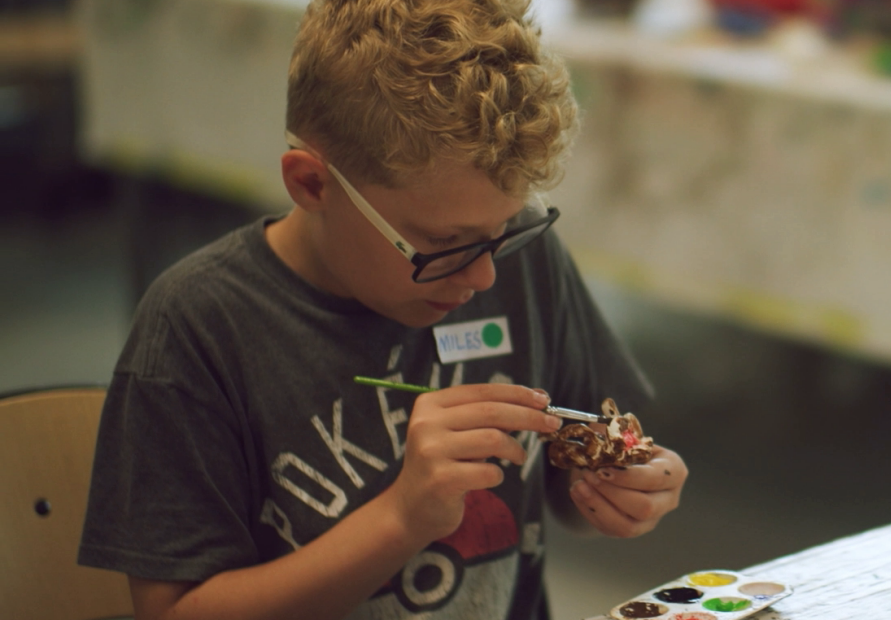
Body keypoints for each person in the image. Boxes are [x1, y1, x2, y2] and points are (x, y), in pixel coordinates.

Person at [77, 0, 689, 617]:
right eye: (443, 244)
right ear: (312, 184)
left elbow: (567, 485)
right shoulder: (198, 327)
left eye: (503, 230)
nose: (482, 275)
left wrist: (624, 487)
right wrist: (401, 519)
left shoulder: (521, 262)